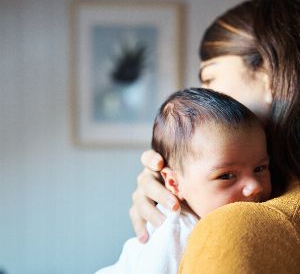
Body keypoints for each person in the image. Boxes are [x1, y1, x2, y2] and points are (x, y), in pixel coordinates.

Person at [130, 0, 300, 273]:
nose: (208, 98)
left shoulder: (236, 227)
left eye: (210, 78)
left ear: (270, 75)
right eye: (226, 175)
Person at [96, 88, 271, 274]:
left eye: (260, 169)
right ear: (174, 184)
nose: (255, 186)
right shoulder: (177, 232)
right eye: (226, 176)